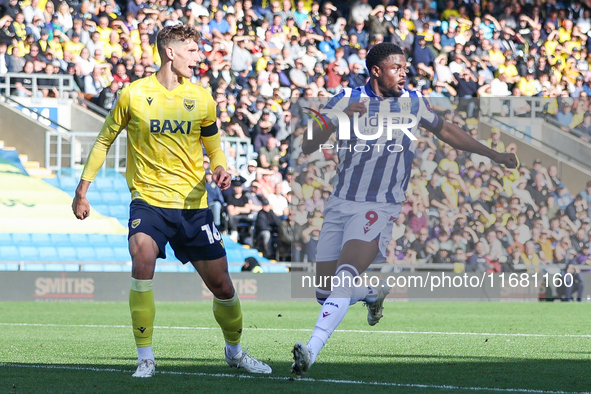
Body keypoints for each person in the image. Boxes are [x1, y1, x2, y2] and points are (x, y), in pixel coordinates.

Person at [291, 43, 517, 377]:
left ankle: (311, 350)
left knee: (344, 274)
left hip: (379, 205)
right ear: (377, 71)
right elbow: (308, 143)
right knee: (324, 293)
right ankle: (372, 293)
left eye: (406, 67)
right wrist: (340, 117)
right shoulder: (344, 98)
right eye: (397, 67)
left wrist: (493, 154)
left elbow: (449, 132)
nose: (404, 73)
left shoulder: (413, 102)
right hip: (340, 203)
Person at [71, 25, 271, 378]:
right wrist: (82, 190)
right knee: (142, 257)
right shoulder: (133, 95)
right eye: (193, 50)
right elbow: (103, 141)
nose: (199, 57)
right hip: (148, 202)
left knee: (223, 286)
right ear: (170, 52)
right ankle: (145, 358)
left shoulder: (202, 99)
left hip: (193, 207)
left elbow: (214, 147)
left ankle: (236, 352)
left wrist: (221, 167)